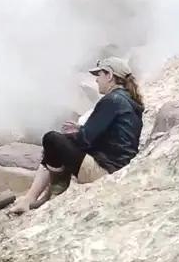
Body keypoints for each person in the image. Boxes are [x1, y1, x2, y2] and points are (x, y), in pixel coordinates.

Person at [10, 57, 144, 214]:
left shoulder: (112, 100)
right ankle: (33, 199)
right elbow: (106, 136)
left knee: (52, 139)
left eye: (99, 75)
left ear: (109, 76)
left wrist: (76, 133)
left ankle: (52, 193)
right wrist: (80, 130)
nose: (96, 80)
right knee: (61, 145)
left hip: (104, 170)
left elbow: (85, 140)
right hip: (119, 167)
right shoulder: (127, 101)